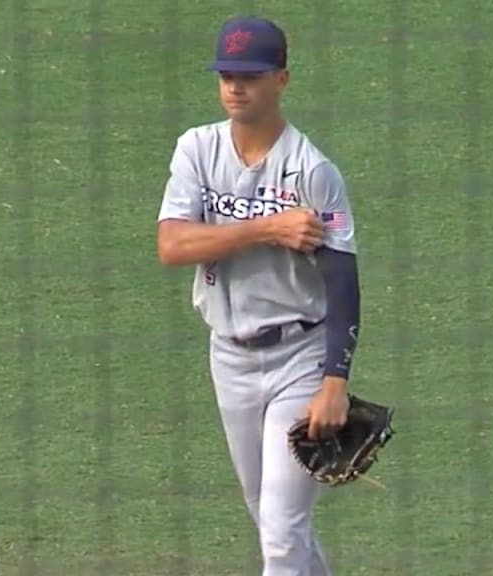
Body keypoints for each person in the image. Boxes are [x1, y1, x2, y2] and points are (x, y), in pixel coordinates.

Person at [155, 15, 361, 576]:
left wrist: (335, 383)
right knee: (271, 521)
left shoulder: (312, 171)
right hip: (230, 358)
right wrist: (267, 229)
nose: (235, 86)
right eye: (226, 74)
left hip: (301, 358)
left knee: (281, 530)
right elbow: (172, 245)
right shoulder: (197, 150)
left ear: (282, 79)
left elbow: (343, 279)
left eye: (249, 74)